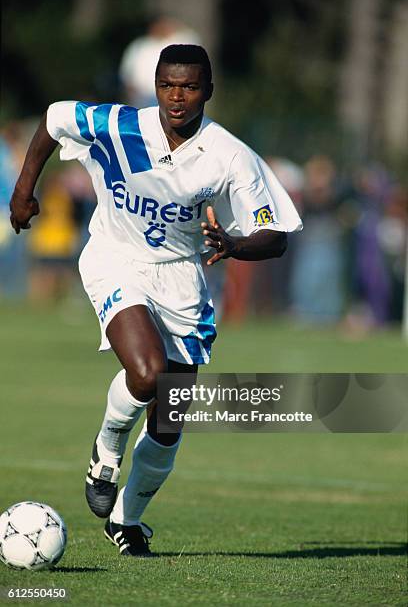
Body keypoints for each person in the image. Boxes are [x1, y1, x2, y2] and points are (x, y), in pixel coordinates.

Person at [9, 45, 302, 557]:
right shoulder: (122, 125)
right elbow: (55, 119)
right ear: (155, 84)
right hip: (114, 258)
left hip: (182, 279)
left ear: (208, 91)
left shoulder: (230, 156)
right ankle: (105, 452)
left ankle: (127, 521)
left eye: (189, 87)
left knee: (170, 418)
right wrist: (24, 190)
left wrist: (234, 245)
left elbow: (274, 233)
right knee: (146, 374)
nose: (176, 97)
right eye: (167, 84)